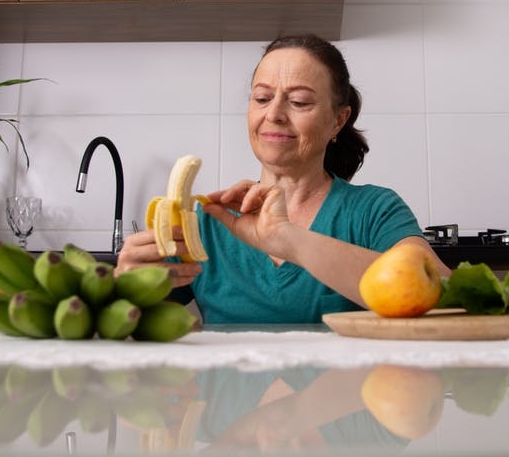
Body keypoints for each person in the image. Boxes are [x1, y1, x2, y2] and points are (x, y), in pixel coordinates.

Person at [116, 34, 449, 323]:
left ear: (338, 120)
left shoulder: (374, 210)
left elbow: (445, 295)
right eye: (262, 98)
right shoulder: (205, 223)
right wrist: (126, 288)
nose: (273, 114)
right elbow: (133, 325)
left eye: (299, 102)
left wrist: (288, 240)